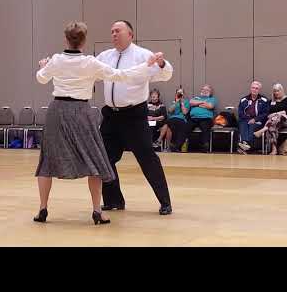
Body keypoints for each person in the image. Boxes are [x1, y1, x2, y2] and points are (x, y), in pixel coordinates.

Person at [34, 21, 160, 225]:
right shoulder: (90, 63)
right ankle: (96, 211)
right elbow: (121, 75)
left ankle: (42, 209)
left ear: (66, 39)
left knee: (47, 161)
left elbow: (41, 79)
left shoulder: (56, 60)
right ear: (83, 41)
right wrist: (147, 65)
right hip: (81, 112)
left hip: (57, 111)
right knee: (94, 159)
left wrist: (43, 66)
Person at [96, 20, 173, 215]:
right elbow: (88, 70)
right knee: (104, 159)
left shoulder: (143, 55)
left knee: (147, 158)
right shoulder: (105, 56)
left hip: (134, 116)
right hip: (111, 116)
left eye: (118, 31)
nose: (114, 34)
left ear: (130, 34)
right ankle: (114, 201)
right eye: (112, 31)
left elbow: (165, 74)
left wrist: (162, 63)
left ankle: (165, 202)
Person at [254, 83, 287, 155]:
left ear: (282, 90)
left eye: (278, 91)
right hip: (274, 122)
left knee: (278, 117)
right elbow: (267, 113)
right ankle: (274, 149)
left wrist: (278, 113)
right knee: (273, 126)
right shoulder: (271, 102)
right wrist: (273, 115)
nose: (276, 93)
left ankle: (264, 130)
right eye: (275, 91)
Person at [237, 81, 270, 154]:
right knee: (243, 124)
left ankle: (244, 145)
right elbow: (240, 113)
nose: (254, 90)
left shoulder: (264, 100)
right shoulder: (244, 100)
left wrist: (255, 119)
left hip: (258, 121)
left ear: (259, 90)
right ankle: (246, 145)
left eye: (256, 88)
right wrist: (249, 119)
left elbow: (265, 114)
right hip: (245, 120)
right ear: (250, 89)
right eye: (253, 88)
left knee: (252, 126)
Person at [187, 85, 217, 153]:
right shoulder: (196, 97)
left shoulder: (212, 99)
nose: (204, 91)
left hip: (205, 118)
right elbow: (191, 102)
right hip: (193, 118)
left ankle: (205, 146)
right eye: (203, 89)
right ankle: (177, 145)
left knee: (205, 127)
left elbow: (210, 106)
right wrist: (202, 102)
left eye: (206, 90)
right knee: (186, 127)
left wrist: (197, 104)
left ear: (210, 92)